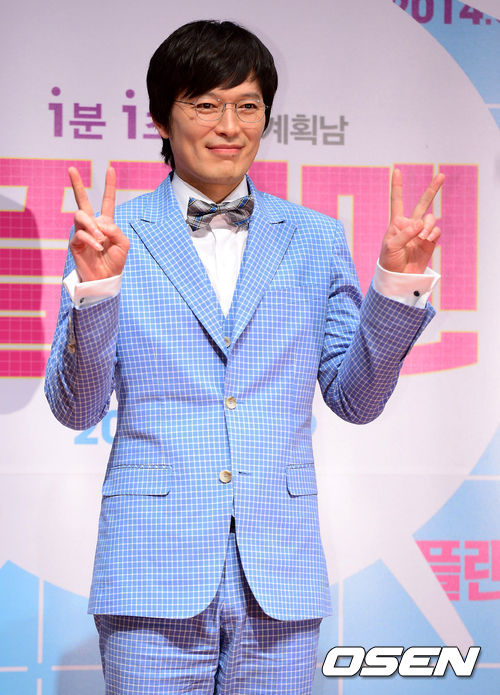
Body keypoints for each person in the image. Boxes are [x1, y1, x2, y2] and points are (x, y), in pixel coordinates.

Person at [45, 19, 444, 695]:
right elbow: (76, 407)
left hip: (279, 575)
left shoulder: (315, 238)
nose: (229, 126)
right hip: (151, 568)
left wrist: (397, 286)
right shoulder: (112, 238)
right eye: (205, 104)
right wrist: (99, 290)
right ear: (161, 119)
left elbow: (357, 399)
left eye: (247, 105)